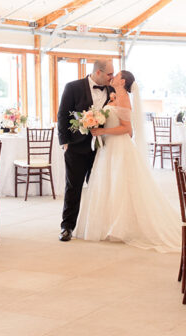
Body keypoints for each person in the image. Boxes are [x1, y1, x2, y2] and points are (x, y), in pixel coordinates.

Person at [75, 70, 179, 253]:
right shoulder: (115, 96)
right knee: (109, 184)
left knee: (121, 185)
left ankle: (121, 227)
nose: (112, 77)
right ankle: (108, 225)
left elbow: (127, 129)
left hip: (119, 147)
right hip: (109, 147)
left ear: (122, 81)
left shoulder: (123, 99)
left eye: (116, 75)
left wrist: (101, 131)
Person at [57, 59, 113, 242]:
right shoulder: (73, 87)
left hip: (102, 148)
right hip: (77, 146)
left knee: (100, 188)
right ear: (98, 72)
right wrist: (64, 142)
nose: (111, 78)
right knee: (73, 187)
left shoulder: (112, 90)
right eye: (109, 74)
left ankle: (98, 227)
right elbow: (62, 114)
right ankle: (67, 227)